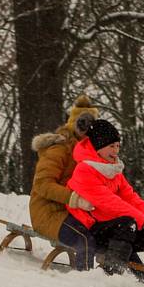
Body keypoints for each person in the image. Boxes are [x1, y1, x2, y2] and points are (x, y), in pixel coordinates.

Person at [65, 119, 144, 287]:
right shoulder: (84, 170)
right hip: (92, 229)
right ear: (98, 146)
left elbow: (131, 197)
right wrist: (143, 221)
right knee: (127, 224)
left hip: (118, 229)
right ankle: (111, 274)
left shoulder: (112, 170)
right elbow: (110, 203)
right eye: (111, 146)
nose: (116, 150)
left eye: (118, 146)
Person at [29, 95, 99, 270]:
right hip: (48, 212)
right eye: (83, 124)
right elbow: (43, 185)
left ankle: (123, 281)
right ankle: (87, 282)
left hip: (75, 212)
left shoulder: (93, 153)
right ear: (75, 123)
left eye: (92, 125)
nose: (87, 130)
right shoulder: (60, 149)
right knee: (84, 239)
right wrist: (73, 198)